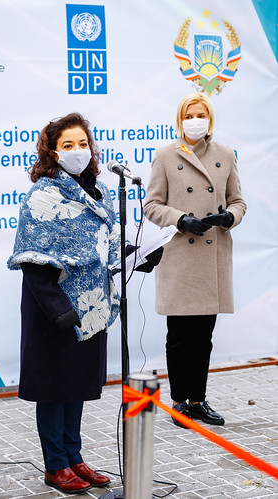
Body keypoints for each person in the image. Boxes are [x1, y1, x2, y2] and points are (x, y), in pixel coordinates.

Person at [8, 112, 162, 493]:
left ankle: (74, 458)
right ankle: (55, 464)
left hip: (92, 305)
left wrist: (141, 257)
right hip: (56, 309)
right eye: (68, 145)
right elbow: (32, 260)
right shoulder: (42, 196)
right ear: (53, 152)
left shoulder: (100, 192)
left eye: (82, 143)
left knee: (75, 385)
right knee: (54, 387)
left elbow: (105, 246)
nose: (78, 151)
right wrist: (58, 309)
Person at [144, 93, 247, 428]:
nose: (195, 120)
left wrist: (228, 217)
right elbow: (151, 205)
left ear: (210, 118)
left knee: (203, 335)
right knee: (179, 335)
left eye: (201, 114)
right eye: (190, 115)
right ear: (180, 119)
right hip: (180, 256)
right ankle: (179, 403)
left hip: (211, 254)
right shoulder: (164, 155)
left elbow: (239, 201)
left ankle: (199, 400)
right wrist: (180, 219)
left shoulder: (225, 155)